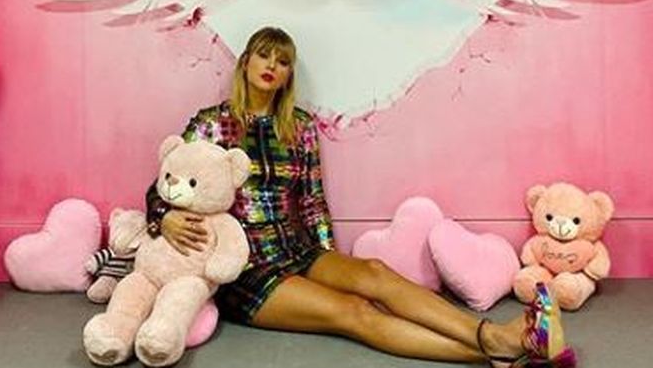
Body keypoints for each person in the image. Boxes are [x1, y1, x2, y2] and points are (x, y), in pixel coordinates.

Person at [145, 27, 576, 367]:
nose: (272, 65)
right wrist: (163, 217)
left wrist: (331, 263)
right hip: (243, 267)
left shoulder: (300, 126)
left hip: (297, 249)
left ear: (289, 74)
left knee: (373, 273)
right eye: (264, 55)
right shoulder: (210, 125)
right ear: (246, 62)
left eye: (283, 60)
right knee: (355, 312)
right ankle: (495, 349)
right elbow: (164, 184)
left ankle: (494, 338)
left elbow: (312, 203)